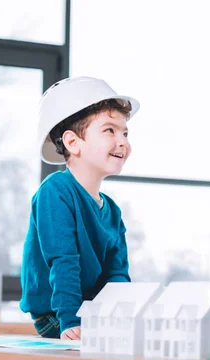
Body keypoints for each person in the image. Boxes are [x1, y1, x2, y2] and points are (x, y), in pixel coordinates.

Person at [20, 77, 140, 340]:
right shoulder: (55, 192)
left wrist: (121, 314)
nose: (122, 141)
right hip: (58, 314)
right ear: (73, 143)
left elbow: (117, 273)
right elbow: (63, 261)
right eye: (110, 130)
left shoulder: (112, 211)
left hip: (90, 312)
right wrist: (71, 320)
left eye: (125, 132)